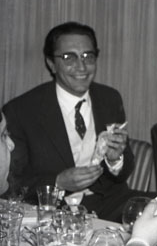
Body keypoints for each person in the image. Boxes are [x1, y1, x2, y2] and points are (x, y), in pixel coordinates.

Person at [0, 112, 157, 246]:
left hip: (109, 200)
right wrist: (141, 242)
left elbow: (127, 166)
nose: (11, 145)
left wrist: (114, 160)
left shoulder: (108, 98)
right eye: (3, 135)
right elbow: (19, 178)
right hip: (57, 208)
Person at [3, 22, 145, 221]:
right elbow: (12, 182)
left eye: (88, 56)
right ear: (51, 63)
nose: (81, 66)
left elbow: (124, 172)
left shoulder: (109, 98)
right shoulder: (21, 110)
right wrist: (58, 182)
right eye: (69, 57)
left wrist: (115, 160)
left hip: (111, 204)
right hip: (52, 211)